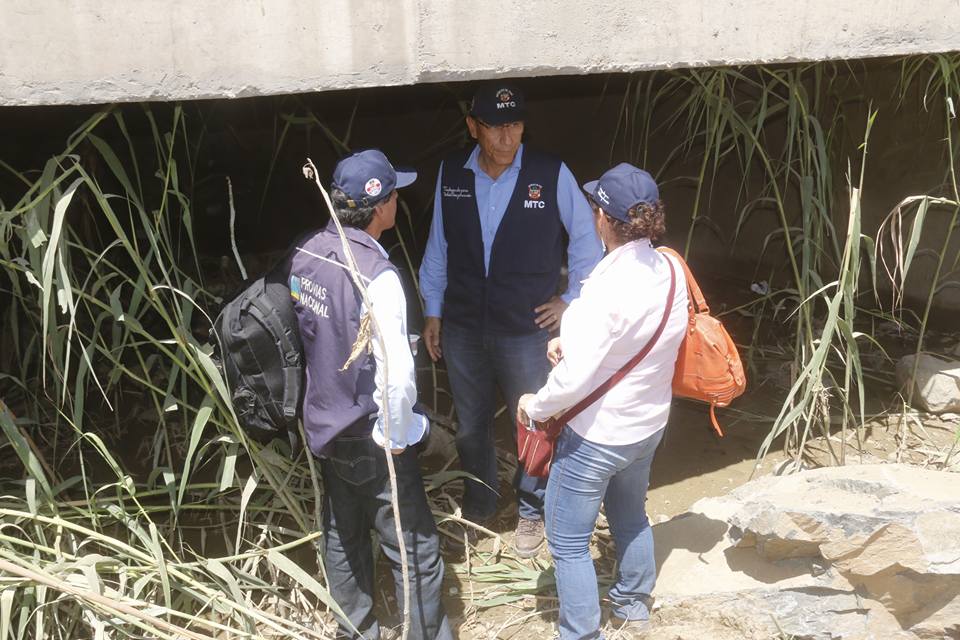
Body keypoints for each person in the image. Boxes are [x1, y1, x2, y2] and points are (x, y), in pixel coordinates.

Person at [419, 84, 603, 557]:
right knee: (471, 424)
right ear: (473, 128)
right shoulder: (450, 176)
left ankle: (531, 509)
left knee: (535, 420)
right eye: (496, 126)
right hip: (462, 326)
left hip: (526, 330)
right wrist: (433, 311)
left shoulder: (550, 172)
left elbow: (587, 241)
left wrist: (571, 300)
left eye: (515, 125)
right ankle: (481, 499)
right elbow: (437, 249)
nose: (508, 137)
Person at [517, 164, 688, 640]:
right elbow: (635, 341)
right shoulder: (671, 267)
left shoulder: (605, 289)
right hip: (648, 426)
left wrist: (536, 404)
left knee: (568, 540)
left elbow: (573, 381)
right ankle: (633, 608)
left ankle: (579, 632)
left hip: (598, 437)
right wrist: (574, 346)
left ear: (603, 219)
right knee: (630, 515)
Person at [287, 150, 453, 640]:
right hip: (371, 433)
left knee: (342, 537)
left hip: (326, 428)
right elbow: (398, 374)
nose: (399, 201)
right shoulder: (376, 274)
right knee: (414, 549)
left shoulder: (307, 252)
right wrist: (398, 433)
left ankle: (355, 630)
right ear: (381, 207)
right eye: (396, 193)